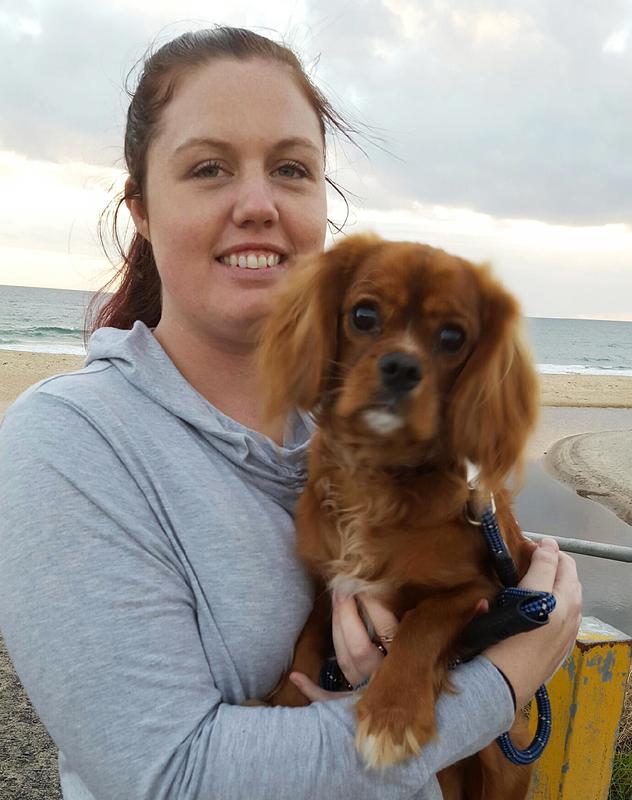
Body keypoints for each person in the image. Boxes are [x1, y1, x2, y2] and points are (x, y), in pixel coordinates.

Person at [0, 26, 581, 800]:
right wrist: (508, 680)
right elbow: (170, 779)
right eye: (209, 169)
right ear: (141, 207)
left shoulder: (365, 434)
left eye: (291, 169)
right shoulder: (67, 445)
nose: (257, 205)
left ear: (321, 202)